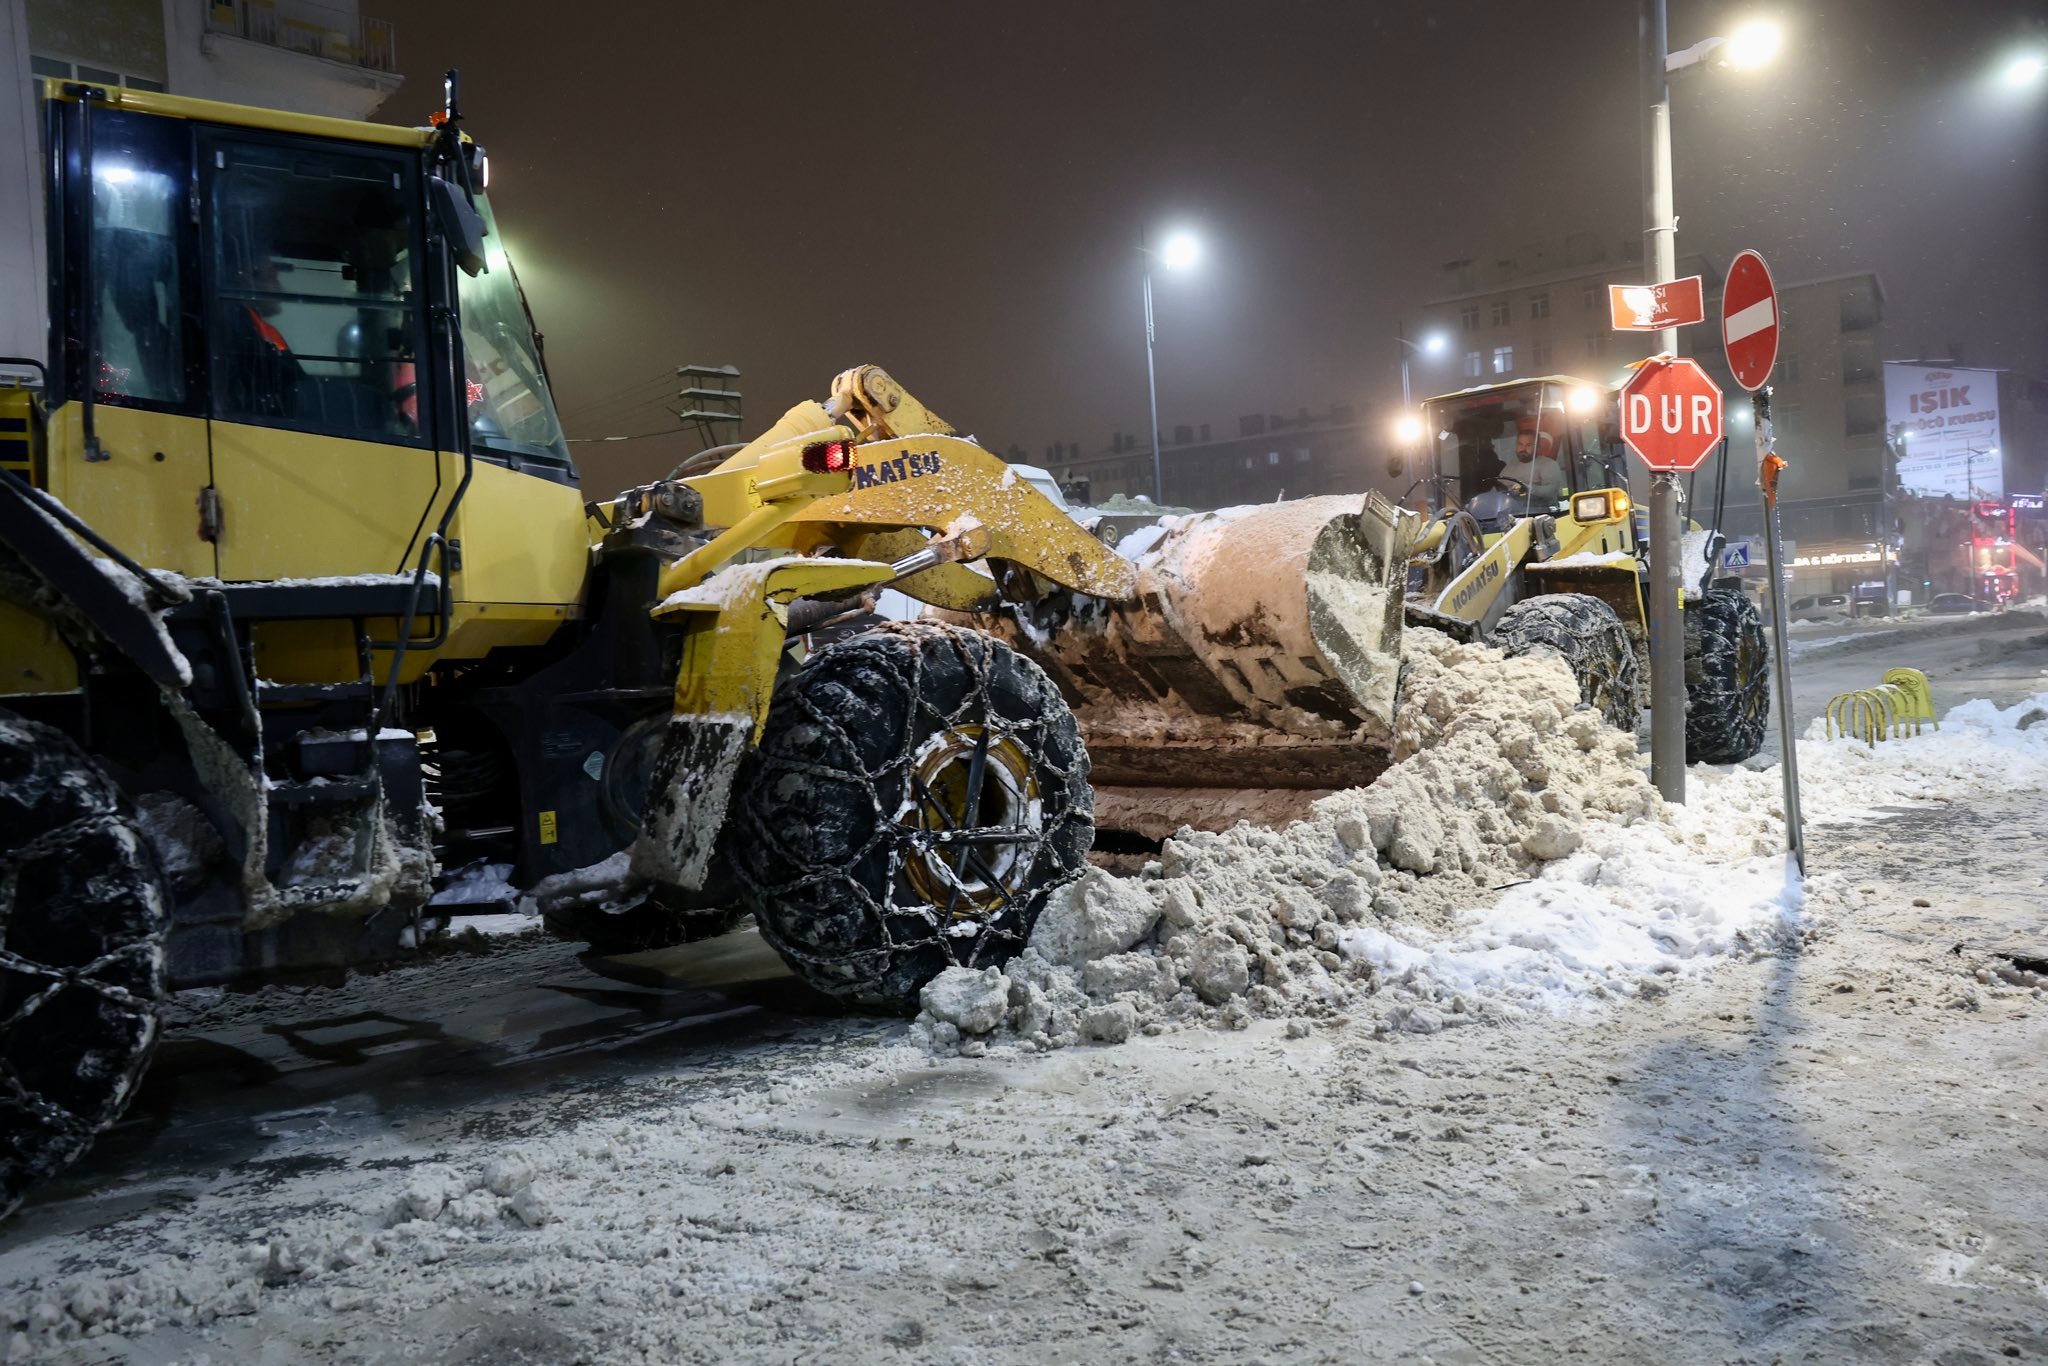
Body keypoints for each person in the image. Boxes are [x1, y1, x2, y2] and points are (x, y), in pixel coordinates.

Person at [221, 254, 301, 420]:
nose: (281, 288)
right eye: (272, 278)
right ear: (246, 279)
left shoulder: (260, 330)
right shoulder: (234, 330)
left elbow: (296, 382)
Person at [1505, 412, 1566, 504]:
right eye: (1520, 444)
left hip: (1543, 512)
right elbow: (1500, 488)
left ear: (1537, 447)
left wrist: (1529, 488)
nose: (1523, 449)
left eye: (1528, 445)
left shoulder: (1548, 465)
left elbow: (1550, 491)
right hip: (1514, 513)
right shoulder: (1510, 468)